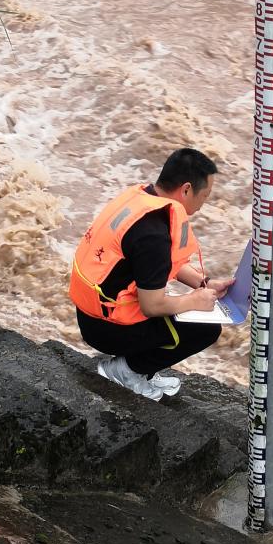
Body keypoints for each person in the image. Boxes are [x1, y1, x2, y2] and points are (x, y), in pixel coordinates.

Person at [68, 147, 233, 401]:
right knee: (206, 329)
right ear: (186, 189)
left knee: (188, 311)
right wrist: (195, 301)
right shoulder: (153, 235)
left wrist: (206, 283)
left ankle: (137, 367)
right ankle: (126, 371)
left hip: (90, 313)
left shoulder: (141, 199)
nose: (204, 203)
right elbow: (152, 305)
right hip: (106, 329)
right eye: (205, 194)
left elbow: (168, 264)